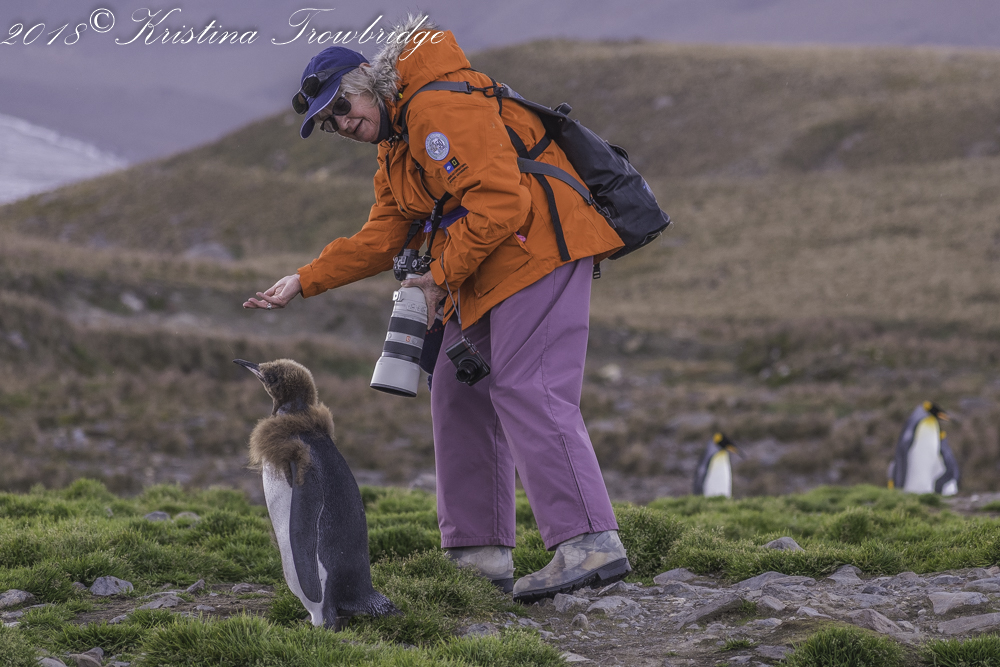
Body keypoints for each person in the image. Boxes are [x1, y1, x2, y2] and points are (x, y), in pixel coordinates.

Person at [244, 16, 630, 602]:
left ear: (368, 80)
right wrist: (304, 279)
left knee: (528, 387)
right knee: (456, 389)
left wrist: (438, 277)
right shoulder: (395, 148)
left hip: (541, 248)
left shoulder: (435, 107)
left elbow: (501, 203)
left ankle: (589, 544)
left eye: (342, 105)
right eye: (328, 122)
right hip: (484, 266)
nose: (342, 123)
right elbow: (383, 236)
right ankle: (478, 553)